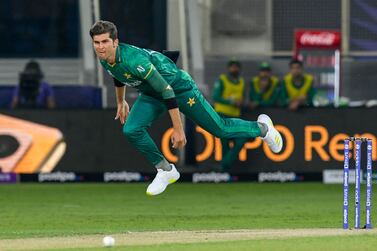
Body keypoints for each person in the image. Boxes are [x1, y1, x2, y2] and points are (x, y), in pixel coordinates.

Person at [90, 20, 283, 196]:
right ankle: (165, 170)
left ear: (115, 42)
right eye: (96, 43)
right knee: (131, 129)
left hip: (180, 89)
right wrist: (120, 101)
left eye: (105, 42)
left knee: (221, 130)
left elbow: (167, 90)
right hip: (152, 93)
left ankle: (263, 129)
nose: (100, 47)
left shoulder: (134, 60)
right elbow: (117, 73)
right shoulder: (104, 56)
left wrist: (178, 128)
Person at [212, 59, 248, 171]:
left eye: (236, 67)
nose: (234, 69)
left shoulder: (242, 81)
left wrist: (241, 102)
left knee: (241, 139)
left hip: (235, 117)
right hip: (222, 115)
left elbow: (242, 97)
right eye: (232, 66)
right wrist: (231, 102)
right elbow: (216, 97)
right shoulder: (222, 80)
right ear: (228, 68)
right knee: (225, 143)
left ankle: (224, 164)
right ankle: (224, 169)